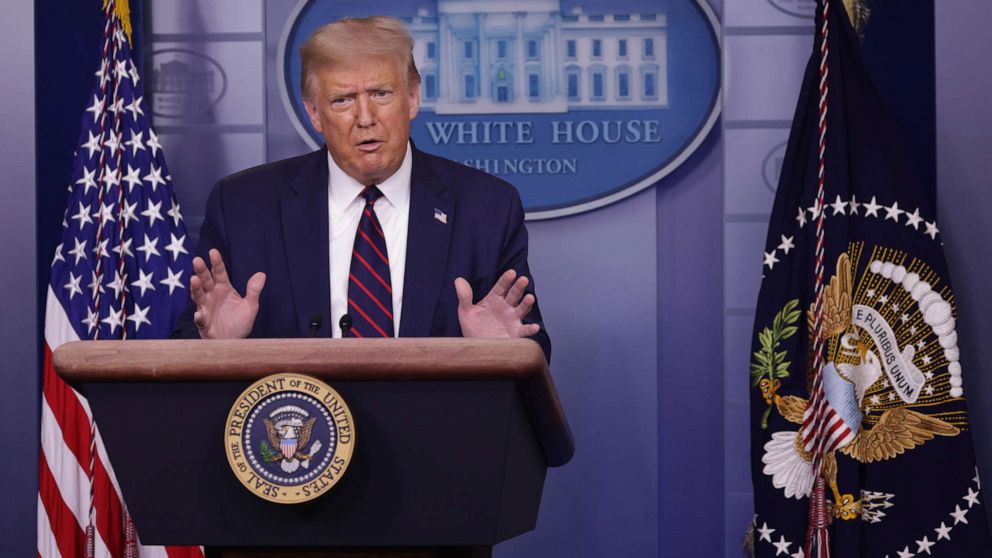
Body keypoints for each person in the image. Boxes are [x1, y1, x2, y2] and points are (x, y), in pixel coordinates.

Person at [174, 16, 550, 362]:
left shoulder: (486, 208)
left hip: (433, 429)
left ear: (413, 97)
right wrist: (214, 345)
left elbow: (530, 347)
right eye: (343, 100)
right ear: (314, 114)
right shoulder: (244, 208)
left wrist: (500, 355)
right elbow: (183, 347)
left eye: (381, 94)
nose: (365, 118)